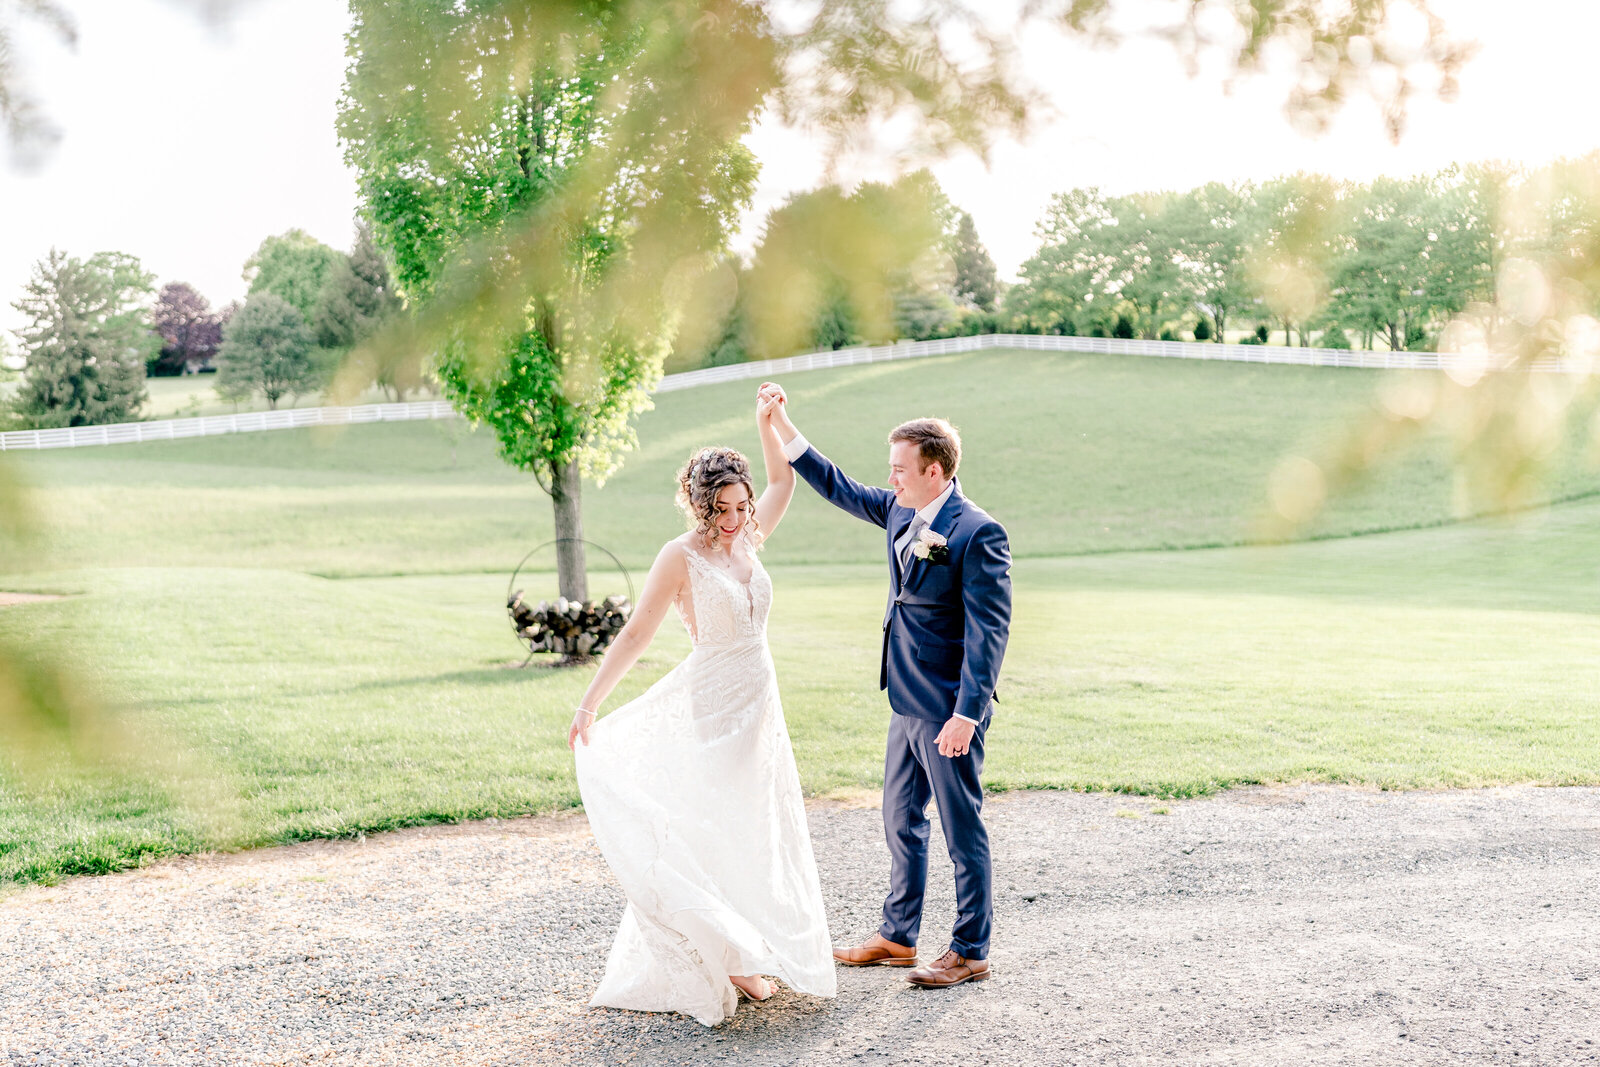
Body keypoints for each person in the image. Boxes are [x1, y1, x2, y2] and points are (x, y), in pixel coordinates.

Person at [567, 390, 836, 1026]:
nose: (737, 518)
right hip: (714, 701)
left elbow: (781, 479)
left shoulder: (752, 534)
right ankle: (732, 958)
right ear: (698, 505)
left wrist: (767, 421)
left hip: (761, 700)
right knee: (720, 820)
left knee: (758, 824)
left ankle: (747, 947)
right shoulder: (680, 556)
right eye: (722, 509)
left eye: (742, 506)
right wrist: (589, 702)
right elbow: (636, 633)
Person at [756, 381, 1011, 989]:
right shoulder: (901, 509)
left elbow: (988, 634)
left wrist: (967, 714)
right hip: (905, 698)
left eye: (900, 469)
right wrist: (782, 425)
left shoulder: (978, 533)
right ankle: (899, 937)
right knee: (900, 819)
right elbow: (836, 483)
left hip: (950, 709)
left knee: (960, 826)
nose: (890, 478)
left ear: (935, 470)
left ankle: (971, 949)